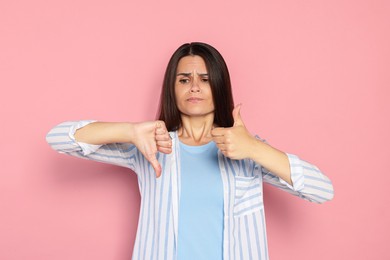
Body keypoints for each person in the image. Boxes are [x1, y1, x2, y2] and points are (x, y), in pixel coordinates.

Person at [46, 42, 334, 260]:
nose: (194, 87)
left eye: (205, 79)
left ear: (220, 86)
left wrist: (256, 148)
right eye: (184, 79)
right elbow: (59, 138)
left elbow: (322, 190)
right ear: (172, 89)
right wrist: (130, 131)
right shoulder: (151, 145)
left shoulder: (245, 148)